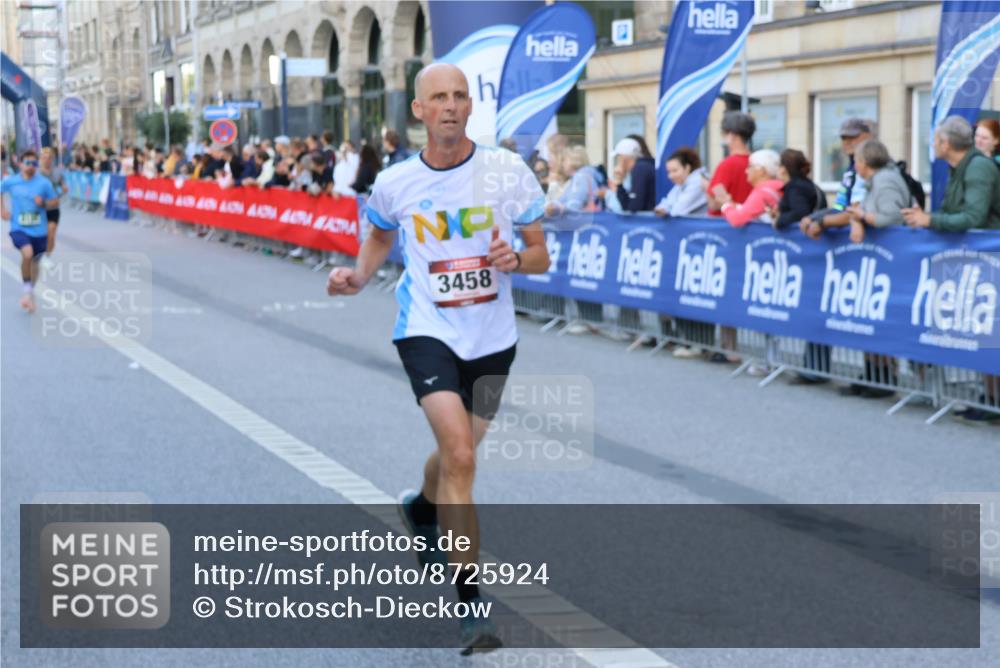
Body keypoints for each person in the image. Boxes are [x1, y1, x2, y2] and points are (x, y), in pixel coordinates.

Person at [326, 62, 549, 654]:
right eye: (438, 98)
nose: (450, 106)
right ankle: (472, 606)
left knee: (460, 456)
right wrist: (358, 275)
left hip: (493, 336)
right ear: (419, 111)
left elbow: (540, 256)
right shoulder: (397, 183)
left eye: (459, 96)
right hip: (426, 328)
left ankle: (421, 506)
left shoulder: (507, 172)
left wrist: (514, 262)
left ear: (470, 106)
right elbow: (378, 234)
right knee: (459, 453)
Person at [902, 115, 1000, 231]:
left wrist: (929, 220)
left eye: (936, 140)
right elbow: (949, 211)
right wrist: (923, 218)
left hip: (988, 247)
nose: (933, 145)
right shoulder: (958, 167)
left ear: (946, 144)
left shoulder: (978, 167)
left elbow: (974, 219)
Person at [1, 150, 59, 312]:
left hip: (39, 231)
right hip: (18, 228)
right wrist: (2, 209)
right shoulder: (11, 181)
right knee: (27, 253)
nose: (31, 166)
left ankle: (29, 292)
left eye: (34, 163)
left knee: (35, 262)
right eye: (27, 163)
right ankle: (27, 291)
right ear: (20, 164)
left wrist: (43, 204)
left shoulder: (43, 183)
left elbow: (54, 201)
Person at [800, 117, 872, 239]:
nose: (847, 142)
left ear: (867, 136)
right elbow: (840, 207)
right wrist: (814, 217)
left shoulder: (874, 165)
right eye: (843, 138)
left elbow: (861, 211)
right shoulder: (850, 168)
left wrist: (822, 222)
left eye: (853, 137)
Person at [846, 139, 911, 243]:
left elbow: (893, 218)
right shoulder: (875, 179)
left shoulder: (884, 180)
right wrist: (856, 221)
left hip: (895, 246)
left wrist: (862, 216)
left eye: (856, 161)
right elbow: (860, 211)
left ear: (864, 162)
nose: (854, 166)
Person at [716, 149, 783, 227]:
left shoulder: (763, 192)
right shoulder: (777, 186)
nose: (746, 171)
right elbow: (754, 210)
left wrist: (725, 204)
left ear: (761, 170)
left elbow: (737, 220)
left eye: (750, 166)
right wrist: (732, 205)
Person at [707, 111, 756, 215]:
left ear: (732, 135)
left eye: (724, 133)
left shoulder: (727, 164)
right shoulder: (758, 162)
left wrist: (706, 185)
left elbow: (713, 204)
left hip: (727, 224)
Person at [771, 149, 825, 229]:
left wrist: (779, 220)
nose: (777, 169)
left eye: (778, 165)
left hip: (806, 238)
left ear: (784, 168)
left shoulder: (795, 187)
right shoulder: (805, 184)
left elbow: (800, 213)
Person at [543, 145, 604, 215]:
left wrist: (554, 208)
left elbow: (573, 206)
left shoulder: (581, 177)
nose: (562, 164)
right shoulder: (583, 176)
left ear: (574, 160)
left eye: (564, 160)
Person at [654, 147, 708, 217]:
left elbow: (677, 211)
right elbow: (665, 204)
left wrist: (665, 210)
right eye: (669, 172)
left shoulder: (698, 182)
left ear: (687, 168)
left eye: (675, 170)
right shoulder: (682, 183)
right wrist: (664, 209)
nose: (670, 176)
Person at [607, 137, 655, 212]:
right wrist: (619, 183)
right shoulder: (642, 166)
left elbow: (633, 208)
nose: (618, 161)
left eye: (618, 157)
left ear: (623, 158)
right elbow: (628, 207)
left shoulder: (640, 168)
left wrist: (619, 185)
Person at [39, 147, 67, 256]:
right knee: (40, 236)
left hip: (53, 208)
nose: (47, 160)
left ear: (53, 159)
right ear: (40, 158)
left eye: (49, 158)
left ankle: (47, 257)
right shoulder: (36, 173)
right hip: (39, 209)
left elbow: (63, 186)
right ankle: (39, 254)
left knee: (51, 235)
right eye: (44, 157)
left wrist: (64, 190)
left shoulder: (57, 172)